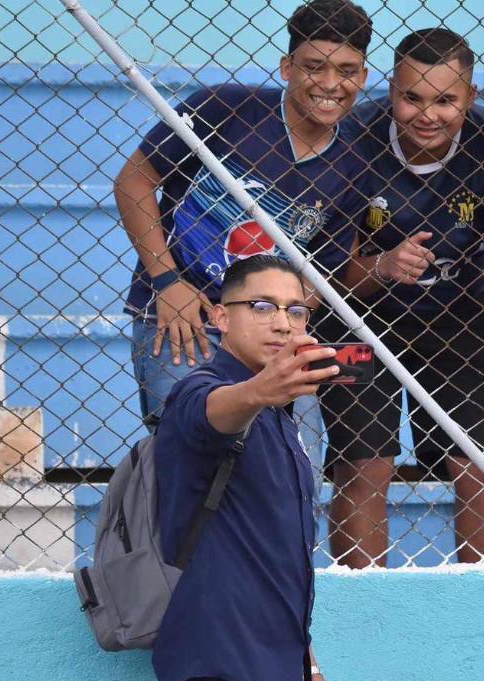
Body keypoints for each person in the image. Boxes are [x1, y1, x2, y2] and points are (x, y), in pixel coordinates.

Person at [154, 254, 353, 681]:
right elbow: (213, 411)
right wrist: (261, 390)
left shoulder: (283, 421)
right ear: (220, 316)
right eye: (260, 306)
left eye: (295, 310)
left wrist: (307, 670)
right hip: (222, 674)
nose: (283, 323)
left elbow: (275, 564)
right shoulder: (203, 391)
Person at [114, 0, 372, 430]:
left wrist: (276, 325)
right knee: (190, 450)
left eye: (346, 70)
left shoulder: (355, 163)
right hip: (184, 318)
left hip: (271, 338)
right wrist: (167, 281)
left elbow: (319, 275)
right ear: (287, 67)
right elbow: (134, 181)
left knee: (295, 462)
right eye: (314, 67)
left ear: (363, 77)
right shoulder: (227, 109)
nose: (330, 84)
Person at [317, 28, 484, 568]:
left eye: (446, 100)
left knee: (479, 469)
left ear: (470, 97)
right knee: (364, 466)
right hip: (359, 319)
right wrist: (381, 266)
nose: (428, 114)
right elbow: (324, 277)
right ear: (391, 89)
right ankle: (366, 610)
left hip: (462, 316)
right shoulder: (351, 138)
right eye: (412, 97)